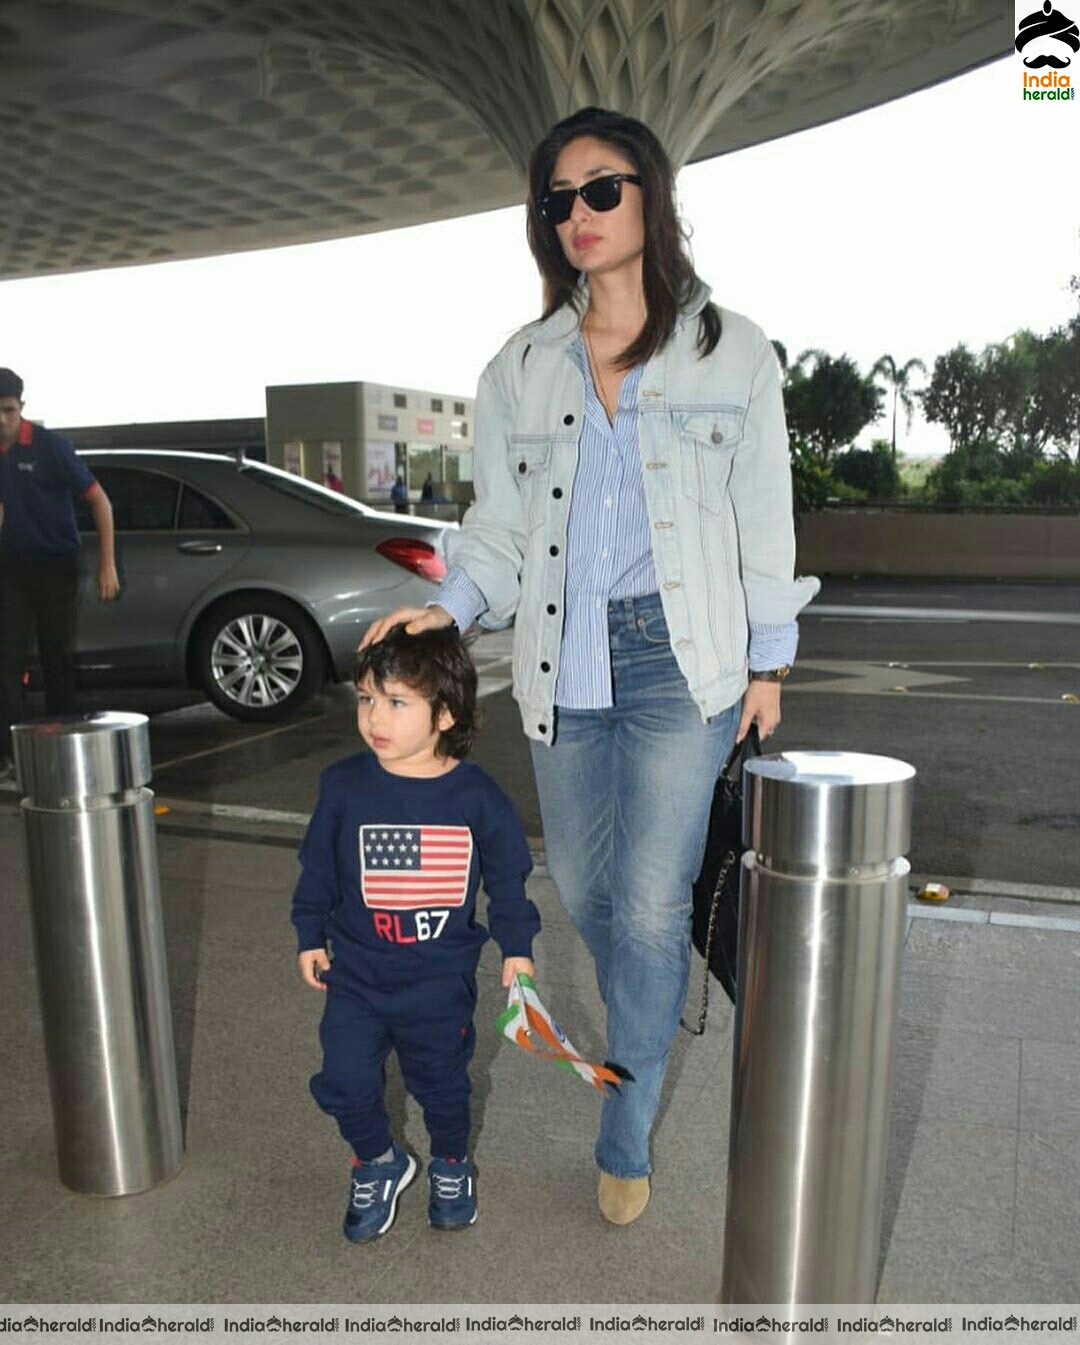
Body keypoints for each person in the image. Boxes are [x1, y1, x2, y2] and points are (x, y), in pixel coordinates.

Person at [360, 107, 820, 1227]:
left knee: (654, 907)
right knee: (585, 890)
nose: (578, 215)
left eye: (600, 190)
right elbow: (502, 534)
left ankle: (626, 1117)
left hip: (684, 657)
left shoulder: (734, 351)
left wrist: (769, 663)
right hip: (563, 659)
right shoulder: (521, 368)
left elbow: (764, 522)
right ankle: (644, 1035)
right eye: (557, 200)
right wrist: (447, 608)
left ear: (651, 198)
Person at [292, 624, 539, 1243]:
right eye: (367, 699)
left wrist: (517, 948)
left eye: (397, 702)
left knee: (443, 1086)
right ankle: (379, 1160)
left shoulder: (477, 797)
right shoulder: (345, 785)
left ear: (445, 713)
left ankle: (451, 1164)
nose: (375, 717)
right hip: (359, 975)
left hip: (438, 984)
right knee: (344, 1079)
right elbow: (319, 868)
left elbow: (509, 879)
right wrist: (308, 933)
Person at [0, 368, 119, 779]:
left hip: (56, 565)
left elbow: (100, 501)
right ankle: (12, 755)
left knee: (56, 658)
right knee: (6, 661)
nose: (1, 420)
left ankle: (64, 755)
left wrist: (107, 564)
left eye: (8, 411)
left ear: (21, 409)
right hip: (12, 566)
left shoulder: (51, 448)